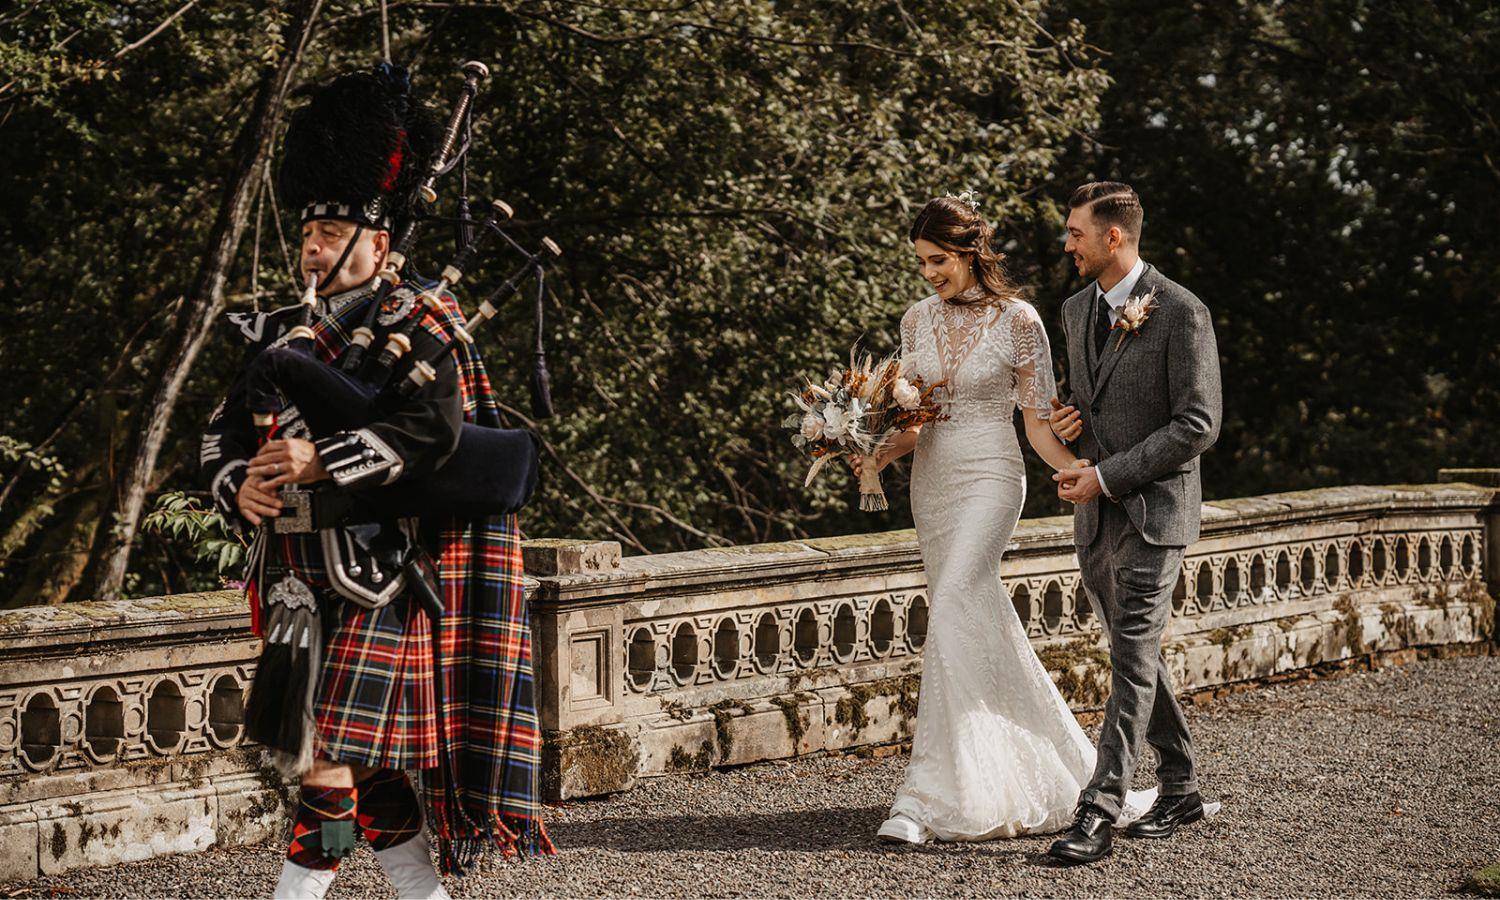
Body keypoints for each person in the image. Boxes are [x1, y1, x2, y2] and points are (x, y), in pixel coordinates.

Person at [199, 65, 552, 900]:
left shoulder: (423, 323)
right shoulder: (277, 331)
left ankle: (293, 894)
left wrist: (323, 459)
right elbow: (216, 434)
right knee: (367, 771)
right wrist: (235, 488)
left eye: (333, 234)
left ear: (381, 246)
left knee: (326, 756)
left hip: (379, 572)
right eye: (309, 233)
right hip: (291, 575)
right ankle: (424, 894)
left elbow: (435, 435)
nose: (314, 250)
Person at [859, 194, 1155, 846]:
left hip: (993, 478)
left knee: (960, 595)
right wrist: (870, 450)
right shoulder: (915, 321)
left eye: (937, 259)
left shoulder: (1019, 319)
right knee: (965, 617)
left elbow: (1036, 423)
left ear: (968, 251)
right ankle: (1064, 773)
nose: (929, 272)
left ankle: (923, 796)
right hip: (932, 485)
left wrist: (1076, 468)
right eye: (920, 263)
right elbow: (915, 424)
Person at [1045, 181, 1222, 864]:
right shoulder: (1072, 310)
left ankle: (1098, 810)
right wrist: (1073, 422)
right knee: (1133, 656)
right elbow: (1095, 405)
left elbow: (1198, 424)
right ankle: (1179, 786)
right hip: (1094, 518)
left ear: (1112, 236)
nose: (1067, 245)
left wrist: (1109, 475)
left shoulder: (1182, 312)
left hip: (1154, 515)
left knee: (1130, 657)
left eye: (1074, 233)